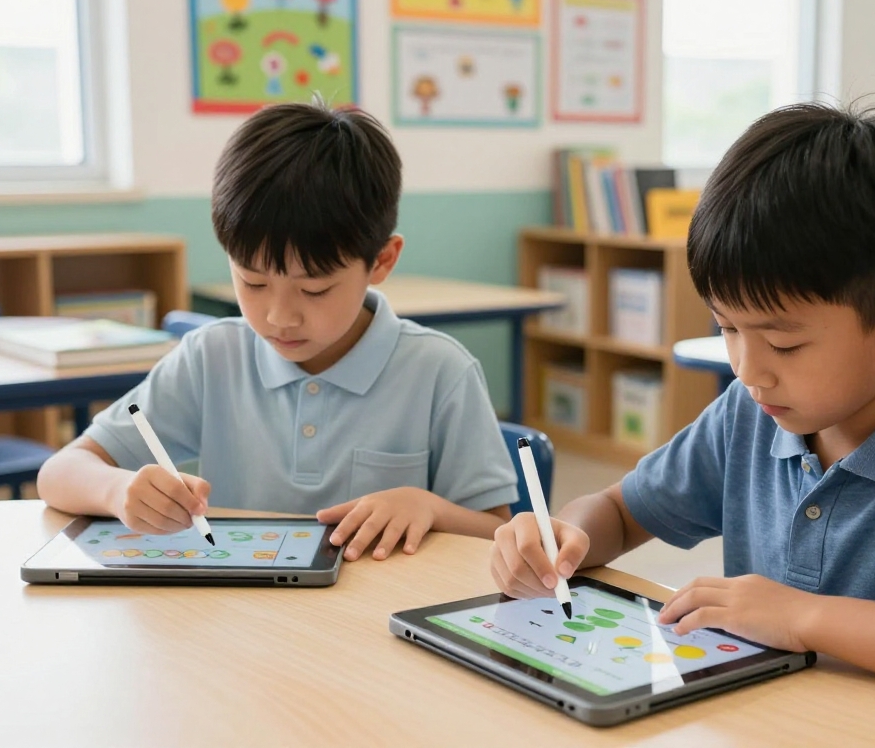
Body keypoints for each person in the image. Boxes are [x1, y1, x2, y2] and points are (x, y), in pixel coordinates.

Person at [488, 103, 875, 715]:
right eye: (726, 327)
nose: (747, 370)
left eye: (784, 342)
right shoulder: (749, 416)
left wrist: (803, 616)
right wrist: (565, 536)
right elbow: (620, 511)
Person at [38, 99, 517, 562]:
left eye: (315, 290)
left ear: (383, 261)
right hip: (242, 621)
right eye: (253, 281)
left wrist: (429, 507)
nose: (278, 317)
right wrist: (118, 489)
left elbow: (497, 534)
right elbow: (59, 472)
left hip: (372, 628)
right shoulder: (213, 357)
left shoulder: (439, 372)